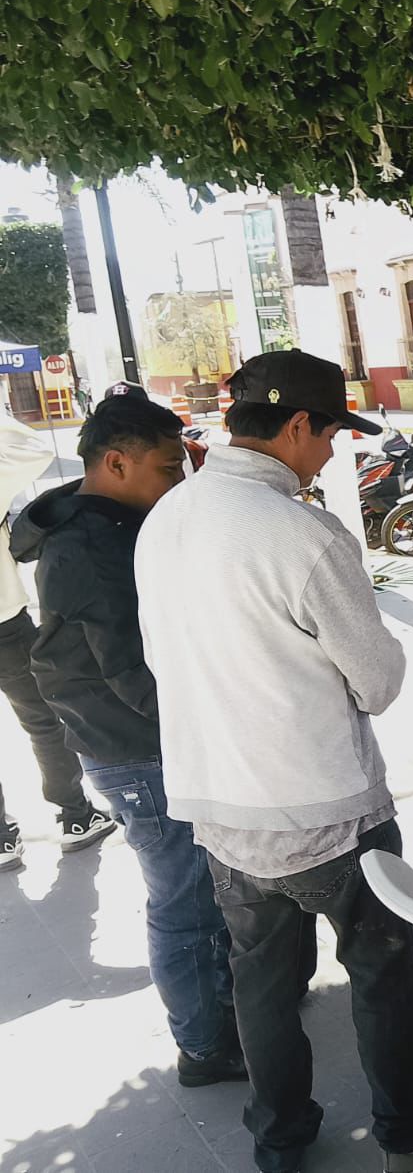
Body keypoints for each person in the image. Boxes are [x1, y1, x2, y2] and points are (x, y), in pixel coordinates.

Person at [135, 350, 413, 1173]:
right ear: (298, 424)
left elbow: (163, 659)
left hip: (218, 805)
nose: (333, 451)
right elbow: (377, 682)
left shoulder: (167, 517)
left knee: (262, 983)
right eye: (332, 432)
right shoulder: (304, 532)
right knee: (385, 972)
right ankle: (410, 1134)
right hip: (327, 808)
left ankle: (279, 1141)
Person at [10, 393, 244, 1085]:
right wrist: (215, 727)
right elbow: (134, 671)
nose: (179, 480)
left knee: (200, 889)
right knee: (185, 898)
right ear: (115, 463)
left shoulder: (107, 519)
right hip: (137, 745)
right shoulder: (91, 544)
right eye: (169, 468)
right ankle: (203, 1045)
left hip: (135, 736)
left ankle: (221, 1009)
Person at [0, 409, 116, 870]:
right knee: (44, 721)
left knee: (43, 722)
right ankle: (74, 816)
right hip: (5, 622)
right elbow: (33, 449)